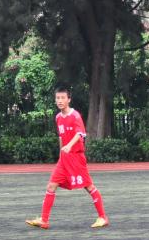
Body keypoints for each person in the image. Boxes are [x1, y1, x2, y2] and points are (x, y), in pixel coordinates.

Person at [26, 88, 109, 230]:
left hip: (76, 157)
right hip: (64, 159)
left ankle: (103, 217)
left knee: (88, 186)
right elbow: (60, 137)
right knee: (51, 186)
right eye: (57, 98)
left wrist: (69, 146)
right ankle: (44, 220)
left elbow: (80, 134)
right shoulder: (58, 117)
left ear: (69, 100)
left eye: (62, 98)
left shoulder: (75, 116)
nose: (59, 100)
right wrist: (61, 153)